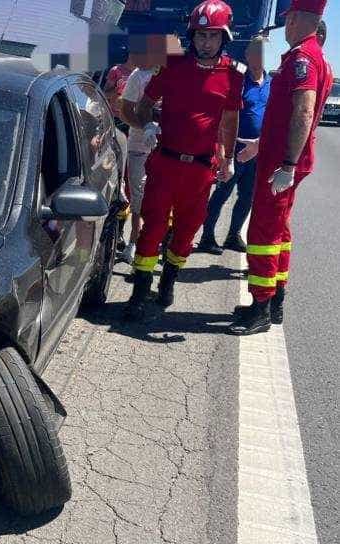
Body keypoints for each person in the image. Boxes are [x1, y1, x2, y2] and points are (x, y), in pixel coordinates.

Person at [123, 0, 244, 320]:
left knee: (187, 231)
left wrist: (229, 158)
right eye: (201, 35)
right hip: (165, 163)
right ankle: (138, 293)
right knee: (153, 227)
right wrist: (147, 124)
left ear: (224, 38)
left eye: (213, 36)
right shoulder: (173, 66)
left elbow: (230, 121)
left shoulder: (233, 75)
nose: (206, 42)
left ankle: (168, 279)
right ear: (193, 36)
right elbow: (145, 103)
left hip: (202, 169)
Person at [228, 0, 333, 335]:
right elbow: (288, 116)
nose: (286, 26)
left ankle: (260, 306)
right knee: (280, 232)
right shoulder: (316, 57)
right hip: (282, 158)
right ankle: (275, 302)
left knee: (263, 233)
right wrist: (263, 145)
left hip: (282, 164)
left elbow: (303, 113)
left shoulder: (303, 58)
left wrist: (286, 162)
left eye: (289, 20)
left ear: (301, 20)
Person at [196, 35, 271, 254]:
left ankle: (233, 235)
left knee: (247, 196)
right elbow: (223, 117)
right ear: (247, 55)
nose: (259, 56)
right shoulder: (236, 81)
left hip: (256, 152)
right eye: (255, 51)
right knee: (220, 195)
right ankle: (207, 237)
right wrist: (222, 151)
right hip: (235, 150)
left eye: (263, 52)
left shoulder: (271, 83)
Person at [117, 34, 176, 264]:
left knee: (164, 197)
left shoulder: (176, 78)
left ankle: (158, 241)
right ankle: (134, 241)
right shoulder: (138, 76)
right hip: (139, 146)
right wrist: (145, 125)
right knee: (139, 197)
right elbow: (125, 110)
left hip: (168, 147)